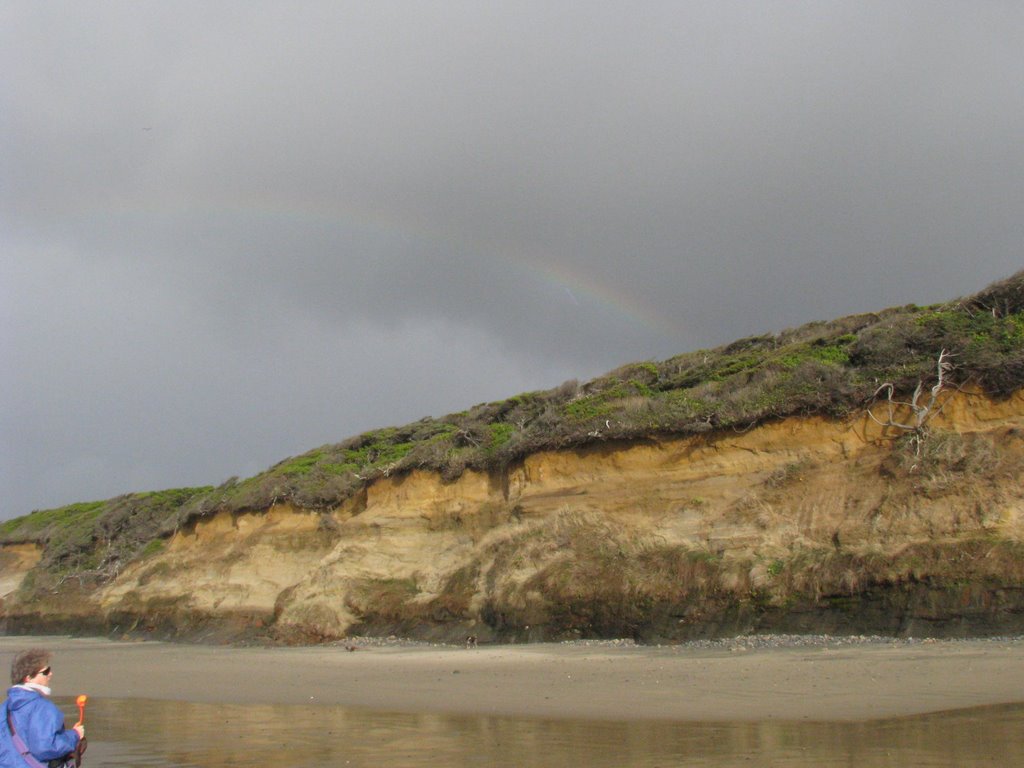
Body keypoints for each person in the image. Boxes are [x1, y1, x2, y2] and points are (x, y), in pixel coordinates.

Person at [0, 649, 84, 768]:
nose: (50, 674)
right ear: (28, 678)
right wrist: (74, 735)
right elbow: (45, 747)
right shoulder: (42, 707)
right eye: (45, 671)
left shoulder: (4, 707)